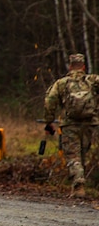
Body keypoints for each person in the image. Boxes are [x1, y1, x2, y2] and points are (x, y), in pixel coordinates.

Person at [43, 53, 99, 197]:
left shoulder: (62, 83)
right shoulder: (93, 80)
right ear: (83, 67)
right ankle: (85, 183)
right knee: (82, 153)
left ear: (70, 66)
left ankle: (79, 184)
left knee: (73, 156)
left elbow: (50, 101)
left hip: (69, 124)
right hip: (90, 124)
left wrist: (49, 121)